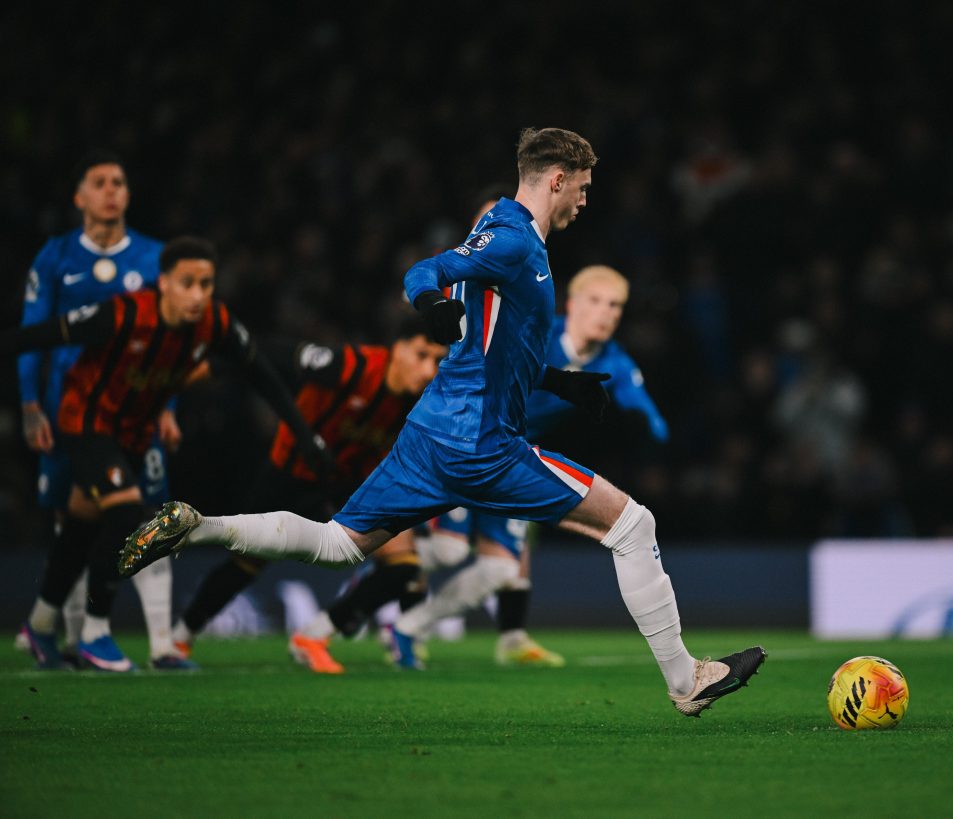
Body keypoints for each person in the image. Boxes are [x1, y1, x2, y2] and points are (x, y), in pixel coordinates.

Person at [121, 128, 765, 717]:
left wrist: (556, 382)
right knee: (632, 524)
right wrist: (428, 301)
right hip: (483, 444)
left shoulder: (520, 243)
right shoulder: (511, 236)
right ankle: (686, 680)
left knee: (339, 544)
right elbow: (423, 270)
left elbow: (493, 350)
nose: (587, 202)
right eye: (585, 188)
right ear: (558, 179)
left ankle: (199, 526)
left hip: (430, 437)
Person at [3, 236, 328, 671]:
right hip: (86, 421)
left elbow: (264, 377)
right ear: (164, 284)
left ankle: (40, 626)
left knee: (81, 524)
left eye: (206, 284)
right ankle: (95, 633)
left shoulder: (215, 324)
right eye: (187, 283)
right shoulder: (122, 314)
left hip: (135, 434)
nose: (198, 295)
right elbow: (42, 334)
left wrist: (305, 438)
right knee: (124, 510)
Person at [409, 263, 670, 667]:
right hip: (465, 438)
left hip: (511, 458)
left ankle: (416, 629)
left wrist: (639, 424)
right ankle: (372, 579)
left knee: (500, 566)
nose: (606, 312)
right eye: (596, 301)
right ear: (573, 304)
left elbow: (653, 424)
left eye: (615, 305)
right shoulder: (537, 327)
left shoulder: (615, 363)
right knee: (446, 550)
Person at [169, 316, 448, 673]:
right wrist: (215, 366)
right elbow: (270, 354)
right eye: (422, 355)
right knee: (247, 562)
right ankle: (180, 636)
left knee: (404, 566)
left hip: (348, 482)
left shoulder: (420, 402)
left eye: (437, 360)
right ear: (397, 349)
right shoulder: (350, 365)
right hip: (291, 473)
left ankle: (314, 635)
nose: (428, 369)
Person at [16, 151, 186, 670]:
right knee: (77, 517)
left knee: (144, 513)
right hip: (72, 412)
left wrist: (168, 405)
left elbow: (172, 340)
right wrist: (28, 403)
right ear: (80, 197)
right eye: (100, 182)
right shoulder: (56, 257)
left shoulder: (155, 258)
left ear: (128, 194)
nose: (111, 190)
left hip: (137, 410)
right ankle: (68, 634)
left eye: (119, 181)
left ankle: (157, 645)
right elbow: (32, 336)